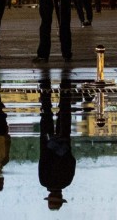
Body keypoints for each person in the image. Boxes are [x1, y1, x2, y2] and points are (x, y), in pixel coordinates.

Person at [38, 74, 76, 210]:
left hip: (64, 143)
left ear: (60, 196)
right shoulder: (43, 181)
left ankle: (65, 86)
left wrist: (64, 152)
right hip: (47, 143)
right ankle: (45, 87)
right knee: (46, 113)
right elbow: (42, 161)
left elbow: (72, 162)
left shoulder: (67, 181)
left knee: (64, 113)